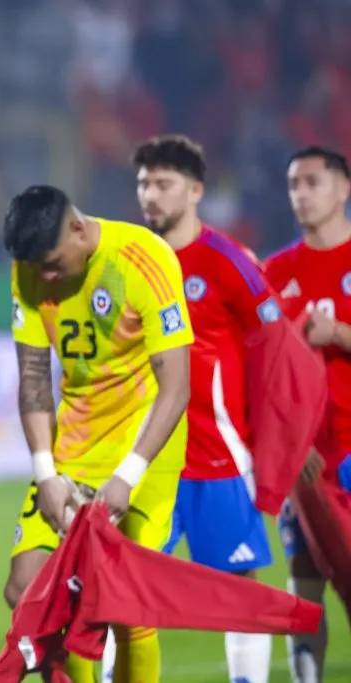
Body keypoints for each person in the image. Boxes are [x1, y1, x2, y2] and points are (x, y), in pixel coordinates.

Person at [4, 185, 192, 683]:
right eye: (35, 266)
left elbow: (176, 387)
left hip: (143, 441)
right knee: (27, 590)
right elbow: (33, 378)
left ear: (78, 229)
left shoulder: (144, 259)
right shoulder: (28, 267)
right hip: (76, 442)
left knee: (128, 601)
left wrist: (129, 475)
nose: (44, 276)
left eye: (50, 262)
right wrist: (45, 472)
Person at [131, 134, 279, 683]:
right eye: (144, 183)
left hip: (219, 455)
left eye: (163, 184)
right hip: (148, 461)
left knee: (238, 584)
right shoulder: (129, 261)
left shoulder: (227, 260)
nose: (150, 194)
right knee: (124, 586)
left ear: (195, 190)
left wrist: (269, 439)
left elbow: (273, 349)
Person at [263, 145, 351, 683]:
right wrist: (289, 450)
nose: (300, 193)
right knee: (305, 575)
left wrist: (339, 334)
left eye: (313, 182)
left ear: (344, 189)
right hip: (308, 458)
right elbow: (266, 378)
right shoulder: (276, 274)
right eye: (293, 183)